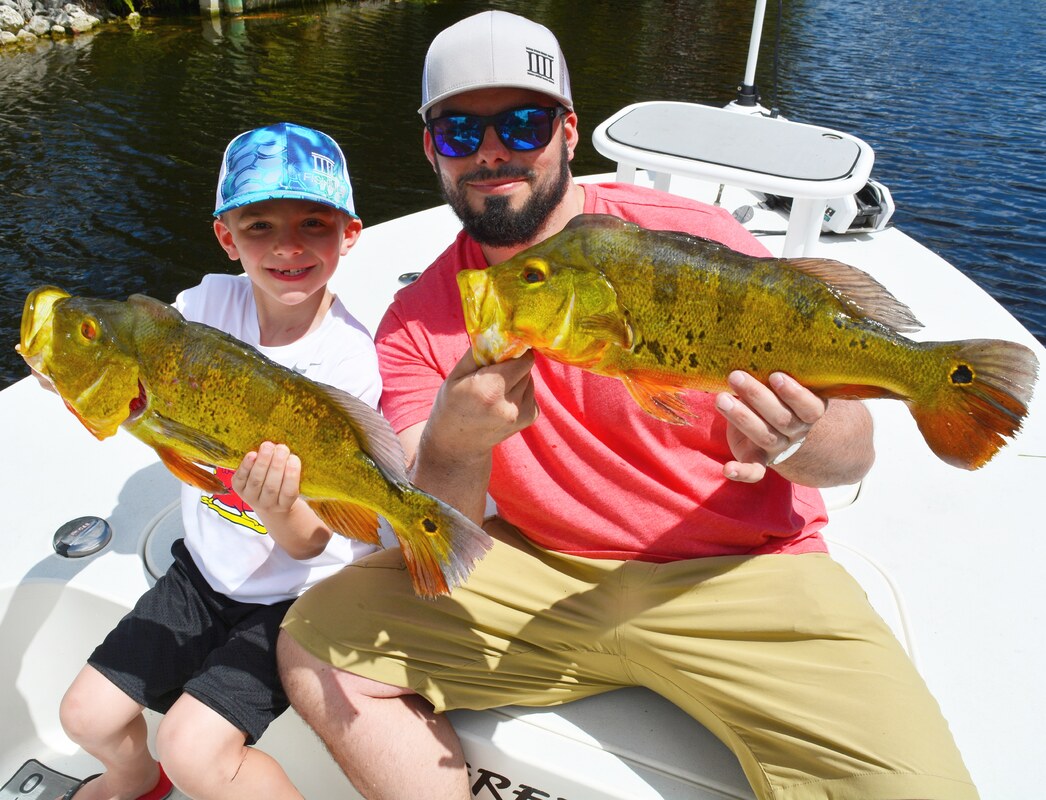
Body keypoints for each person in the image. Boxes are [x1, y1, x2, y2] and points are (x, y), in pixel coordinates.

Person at [277, 11, 977, 800]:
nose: (491, 152)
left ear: (569, 133)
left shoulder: (693, 238)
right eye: (459, 132)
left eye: (523, 122)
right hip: (535, 569)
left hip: (743, 573)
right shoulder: (420, 320)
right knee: (312, 644)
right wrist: (454, 444)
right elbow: (440, 536)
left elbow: (854, 454)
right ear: (430, 149)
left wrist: (799, 437)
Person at [57, 122, 381, 800]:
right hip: (202, 573)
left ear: (349, 233)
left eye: (313, 224)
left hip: (298, 598)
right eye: (259, 226)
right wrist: (75, 370)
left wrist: (277, 504)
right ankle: (134, 780)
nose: (287, 246)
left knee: (191, 745)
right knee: (83, 715)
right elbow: (140, 390)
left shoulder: (348, 360)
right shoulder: (200, 308)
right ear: (227, 238)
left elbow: (312, 538)